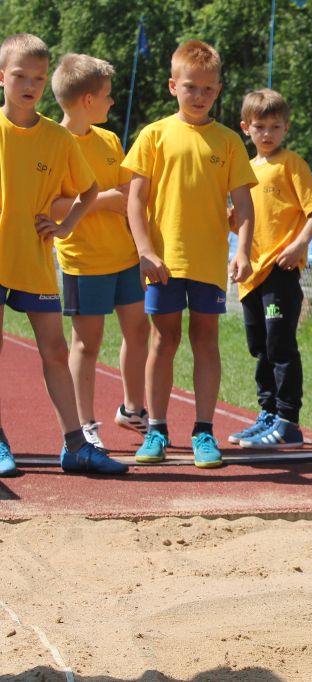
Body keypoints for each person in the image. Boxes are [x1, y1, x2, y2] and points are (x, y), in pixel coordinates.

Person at [123, 40, 258, 468]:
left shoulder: (230, 141)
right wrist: (144, 250)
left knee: (206, 340)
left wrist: (243, 251)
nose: (198, 96)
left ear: (218, 91)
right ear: (172, 86)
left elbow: (246, 206)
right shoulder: (154, 135)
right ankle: (157, 429)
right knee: (163, 341)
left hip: (208, 262)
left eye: (207, 89)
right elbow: (134, 200)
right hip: (164, 260)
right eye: (190, 87)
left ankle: (203, 431)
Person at [0, 34, 127, 476]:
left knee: (54, 349)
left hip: (34, 258)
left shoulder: (57, 137)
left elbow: (89, 188)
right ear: (2, 77)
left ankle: (76, 445)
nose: (29, 84)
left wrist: (67, 225)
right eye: (20, 75)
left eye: (38, 76)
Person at [49, 53, 151, 451]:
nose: (113, 102)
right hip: (83, 260)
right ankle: (84, 424)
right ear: (87, 99)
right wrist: (105, 200)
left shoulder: (108, 139)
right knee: (87, 344)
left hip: (123, 256)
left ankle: (132, 410)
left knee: (138, 331)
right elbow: (51, 207)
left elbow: (128, 195)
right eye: (107, 96)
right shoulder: (54, 142)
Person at [228, 89, 312, 449]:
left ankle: (288, 421)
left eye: (276, 126)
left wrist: (299, 243)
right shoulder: (245, 169)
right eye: (260, 126)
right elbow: (245, 219)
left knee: (280, 344)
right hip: (251, 274)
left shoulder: (291, 163)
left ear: (286, 128)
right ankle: (268, 413)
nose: (268, 133)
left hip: (279, 270)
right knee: (259, 346)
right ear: (246, 128)